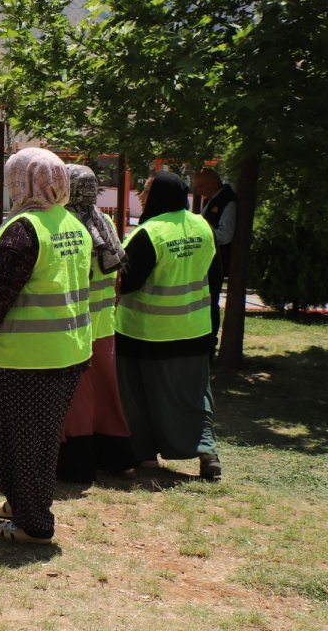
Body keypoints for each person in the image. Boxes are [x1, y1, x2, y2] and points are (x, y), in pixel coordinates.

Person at [0, 147, 93, 545]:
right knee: (38, 441)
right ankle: (21, 504)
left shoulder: (23, 229)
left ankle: (34, 525)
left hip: (21, 359)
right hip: (68, 353)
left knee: (20, 444)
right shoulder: (72, 224)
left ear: (19, 181)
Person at [115, 171, 222, 481]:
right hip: (195, 331)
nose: (142, 196)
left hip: (144, 333)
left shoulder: (149, 233)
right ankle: (207, 452)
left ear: (158, 195)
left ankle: (144, 454)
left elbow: (129, 282)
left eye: (146, 190)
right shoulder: (203, 226)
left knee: (137, 395)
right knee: (196, 395)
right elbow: (215, 279)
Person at [57, 164, 135, 483]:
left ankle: (77, 466)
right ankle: (117, 460)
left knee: (76, 399)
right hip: (104, 327)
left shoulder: (67, 225)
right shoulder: (105, 223)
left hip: (75, 329)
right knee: (107, 396)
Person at [192, 167, 235, 339]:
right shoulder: (211, 200)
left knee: (211, 303)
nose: (198, 191)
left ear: (214, 182)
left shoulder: (228, 202)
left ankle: (211, 339)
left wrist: (201, 234)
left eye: (201, 186)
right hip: (207, 261)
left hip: (217, 262)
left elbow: (226, 234)